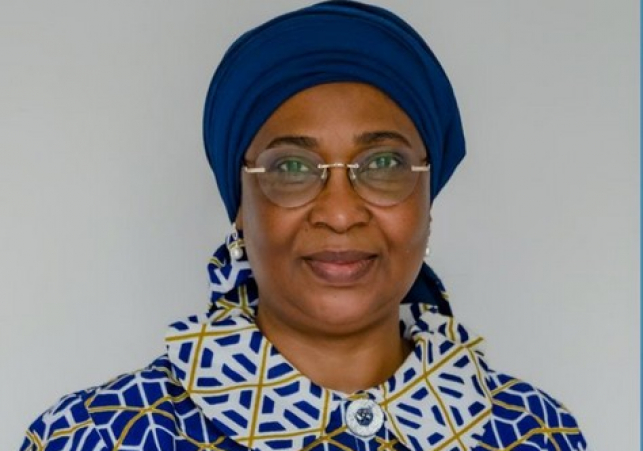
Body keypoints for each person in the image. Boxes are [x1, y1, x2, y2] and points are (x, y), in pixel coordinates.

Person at [21, 1, 588, 450]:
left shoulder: (535, 434)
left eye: (383, 164)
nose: (339, 213)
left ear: (426, 197)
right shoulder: (96, 435)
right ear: (241, 206)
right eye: (291, 168)